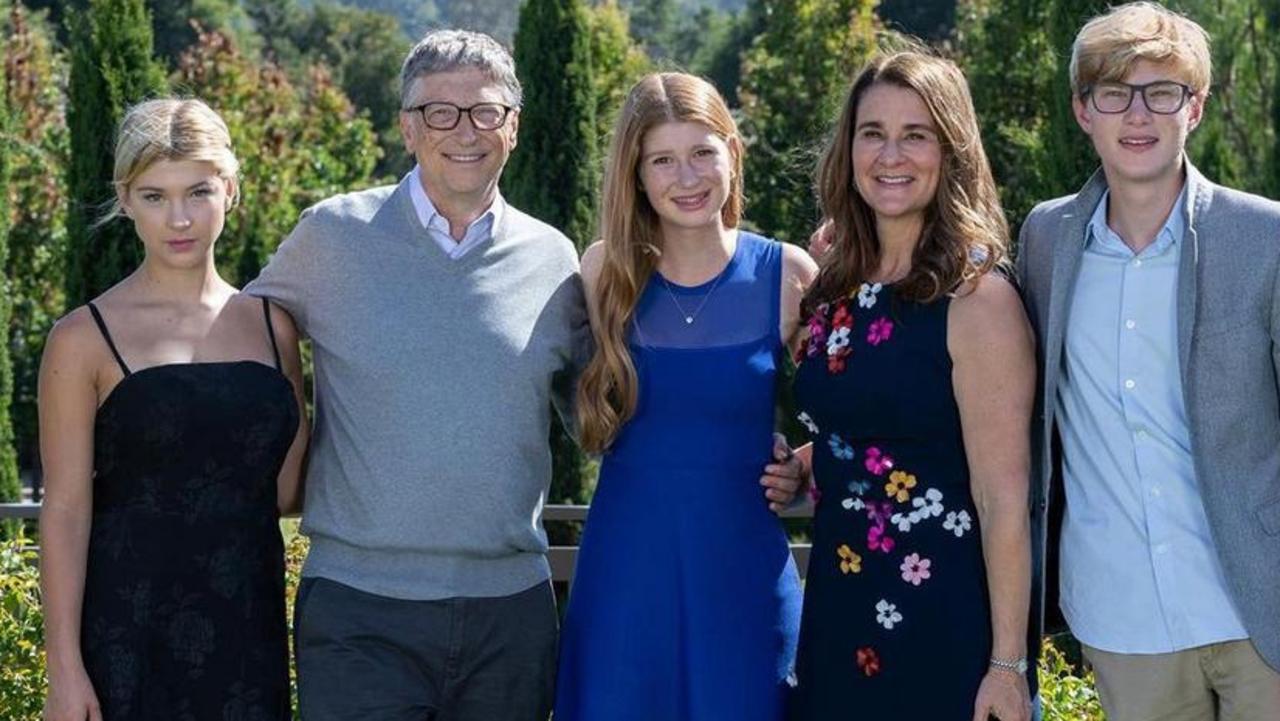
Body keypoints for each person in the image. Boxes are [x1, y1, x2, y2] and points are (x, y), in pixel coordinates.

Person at [243, 32, 808, 720]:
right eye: (439, 112)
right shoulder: (330, 237)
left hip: (510, 610)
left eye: (485, 111)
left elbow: (601, 417)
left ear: (513, 126)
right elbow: (238, 331)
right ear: (407, 125)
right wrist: (279, 456)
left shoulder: (556, 261)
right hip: (362, 604)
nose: (464, 131)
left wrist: (791, 459)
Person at [1017, 4, 1280, 719]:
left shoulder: (1265, 238)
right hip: (1124, 622)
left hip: (1261, 611)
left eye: (1162, 92)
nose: (1138, 114)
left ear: (1194, 107)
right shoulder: (1043, 241)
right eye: (1114, 93)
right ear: (1082, 111)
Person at [554, 72, 817, 721]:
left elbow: (858, 416)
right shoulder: (602, 274)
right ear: (636, 175)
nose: (687, 176)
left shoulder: (788, 275)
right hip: (626, 576)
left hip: (744, 579)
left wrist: (802, 466)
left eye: (703, 152)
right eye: (663, 160)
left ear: (732, 150)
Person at [38, 98, 308, 721]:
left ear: (230, 190)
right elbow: (67, 510)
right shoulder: (81, 339)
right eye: (154, 195)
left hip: (250, 635)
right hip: (124, 639)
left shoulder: (275, 327)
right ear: (125, 199)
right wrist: (64, 670)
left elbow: (287, 488)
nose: (179, 218)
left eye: (198, 191)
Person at [788, 51, 1035, 721]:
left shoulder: (977, 299)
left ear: (950, 150)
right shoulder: (837, 280)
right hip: (839, 610)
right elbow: (876, 429)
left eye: (915, 134)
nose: (890, 155)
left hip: (943, 622)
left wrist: (1008, 665)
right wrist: (805, 466)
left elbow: (1003, 496)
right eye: (873, 133)